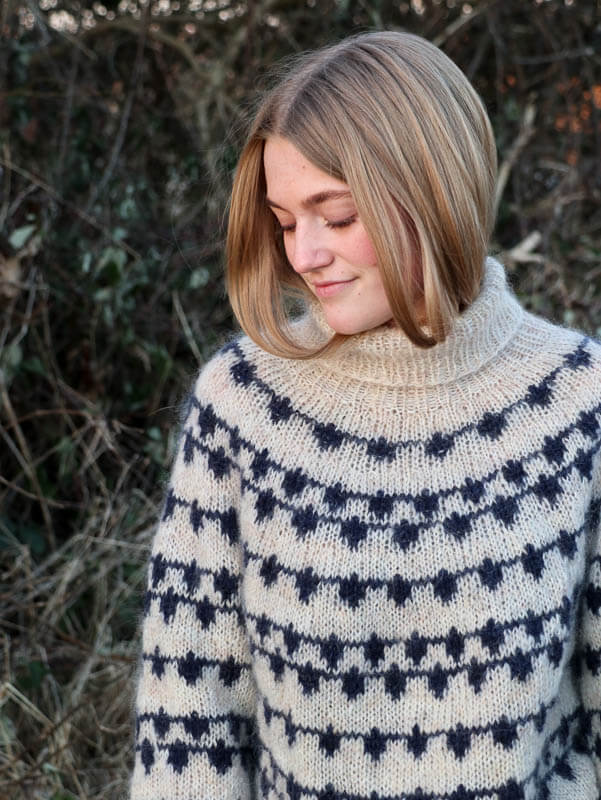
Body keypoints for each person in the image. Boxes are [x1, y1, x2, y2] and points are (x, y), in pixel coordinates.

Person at [129, 31, 601, 800]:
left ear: (434, 192)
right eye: (286, 222)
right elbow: (189, 719)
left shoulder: (578, 402)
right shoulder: (244, 405)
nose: (303, 254)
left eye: (338, 216)